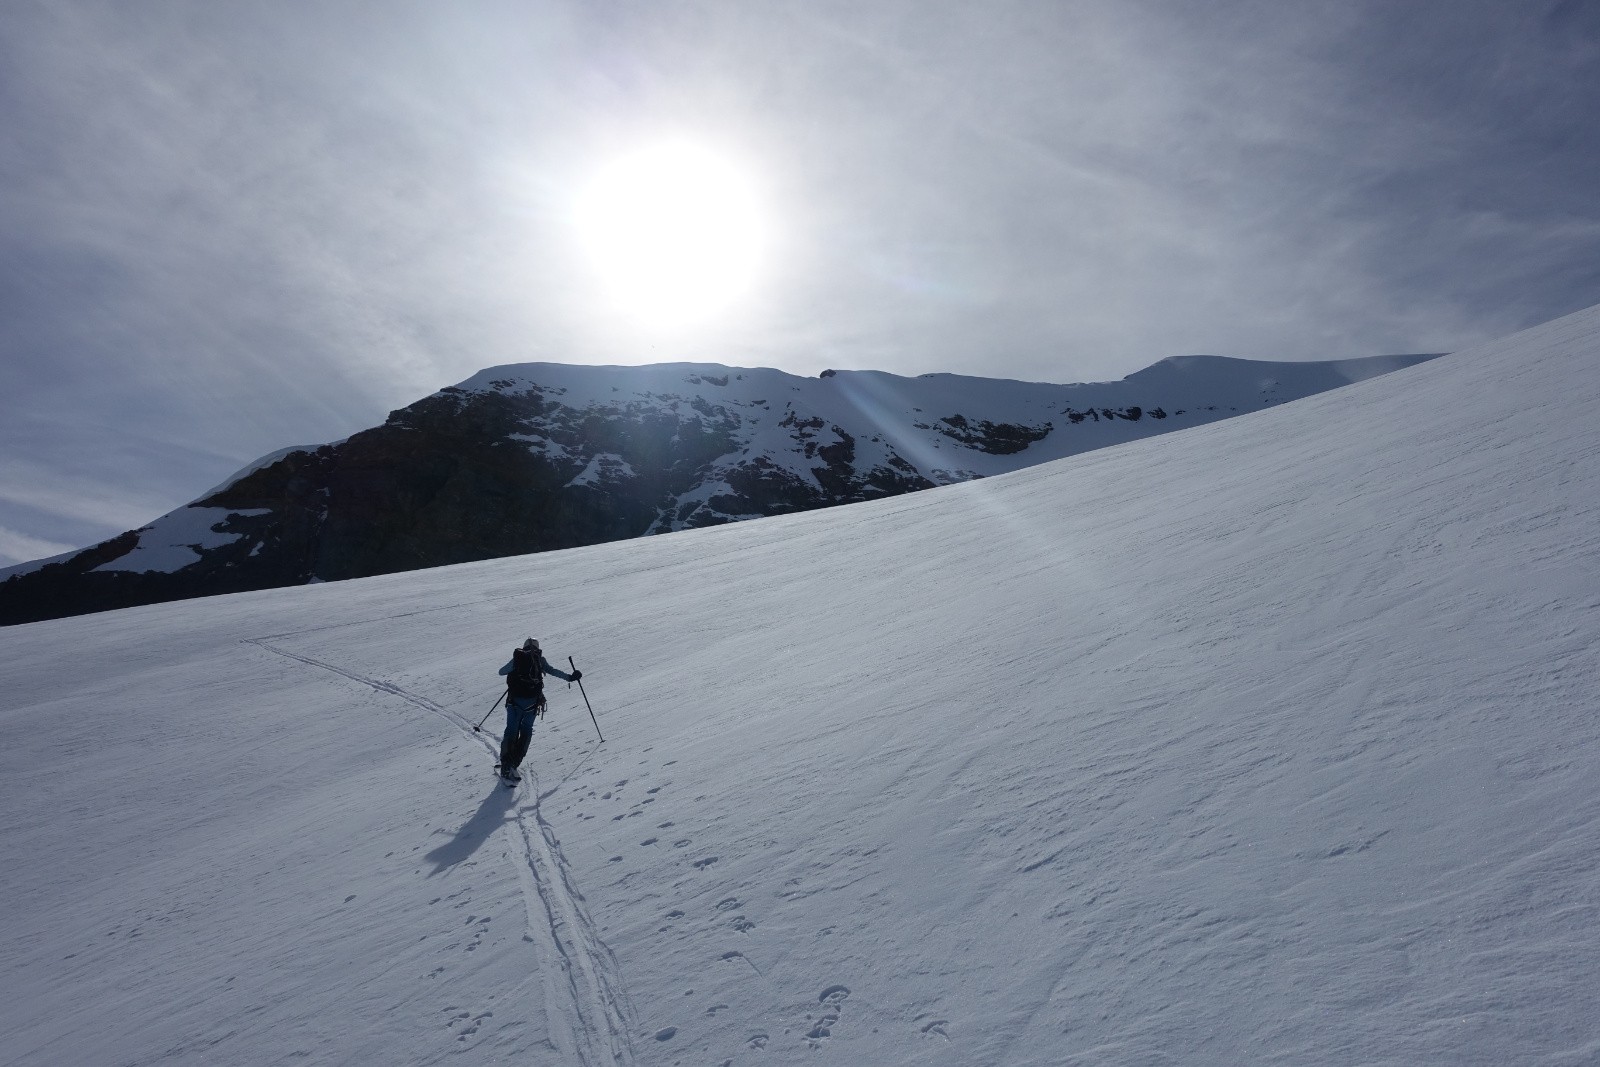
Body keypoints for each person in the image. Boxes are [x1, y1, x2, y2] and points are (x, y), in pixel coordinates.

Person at [496, 638, 580, 782]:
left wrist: (515, 668)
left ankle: (506, 763)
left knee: (511, 730)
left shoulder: (517, 658)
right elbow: (553, 671)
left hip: (514, 702)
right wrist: (570, 677)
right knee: (527, 730)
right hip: (532, 703)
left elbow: (501, 672)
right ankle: (515, 762)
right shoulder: (540, 660)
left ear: (524, 647)